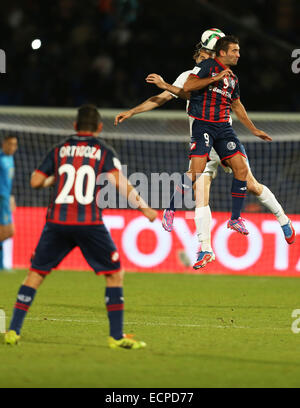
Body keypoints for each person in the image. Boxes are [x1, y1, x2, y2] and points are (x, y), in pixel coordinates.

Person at [115, 34, 295, 269]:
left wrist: (252, 129)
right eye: (203, 53)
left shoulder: (223, 74)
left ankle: (282, 218)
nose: (205, 56)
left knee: (250, 184)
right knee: (201, 190)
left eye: (208, 53)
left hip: (222, 135)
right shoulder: (189, 75)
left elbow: (234, 103)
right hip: (203, 138)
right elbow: (160, 98)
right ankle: (206, 248)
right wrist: (132, 111)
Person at [5, 104, 157, 348]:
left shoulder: (59, 149)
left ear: (74, 126)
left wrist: (55, 178)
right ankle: (116, 337)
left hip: (57, 222)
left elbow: (35, 181)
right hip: (88, 223)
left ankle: (13, 330)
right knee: (115, 273)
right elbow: (120, 183)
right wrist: (144, 207)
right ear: (98, 127)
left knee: (35, 274)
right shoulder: (103, 150)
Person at [0, 135, 18, 270]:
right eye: (10, 144)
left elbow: (8, 181)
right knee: (9, 231)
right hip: (0, 199)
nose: (13, 147)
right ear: (4, 144)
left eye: (15, 144)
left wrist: (10, 197)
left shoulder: (10, 159)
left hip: (5, 198)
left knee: (7, 232)